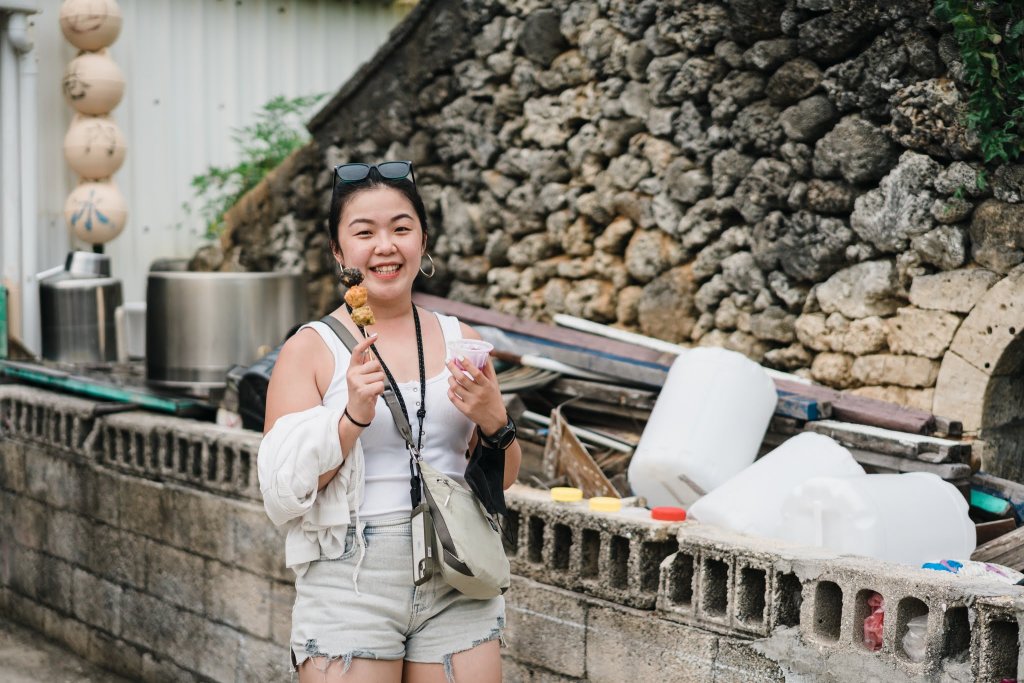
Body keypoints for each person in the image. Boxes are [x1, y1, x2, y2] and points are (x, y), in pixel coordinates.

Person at [259, 160, 521, 683]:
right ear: (338, 250)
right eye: (364, 232)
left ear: (423, 241)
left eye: (402, 228)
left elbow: (504, 477)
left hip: (455, 567)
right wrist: (353, 416)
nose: (386, 246)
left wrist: (494, 419)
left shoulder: (458, 337)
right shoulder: (310, 349)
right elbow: (284, 492)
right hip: (348, 575)